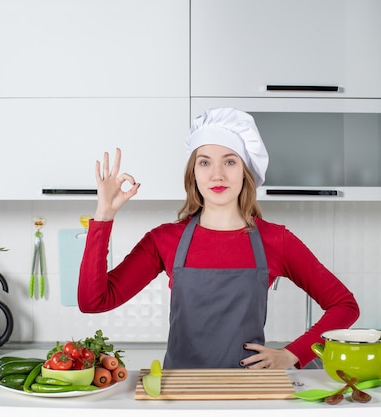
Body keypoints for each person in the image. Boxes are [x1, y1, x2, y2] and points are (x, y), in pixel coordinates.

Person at [78, 107, 359, 369]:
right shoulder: (164, 239)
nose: (217, 174)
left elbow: (345, 306)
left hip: (246, 395)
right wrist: (103, 215)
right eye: (205, 162)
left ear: (245, 171)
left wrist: (293, 354)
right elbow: (93, 301)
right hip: (181, 394)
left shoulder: (276, 240)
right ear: (194, 173)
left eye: (229, 161)